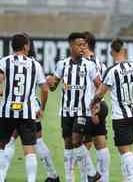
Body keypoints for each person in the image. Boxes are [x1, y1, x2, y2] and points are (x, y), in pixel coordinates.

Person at [2, 34, 60, 182]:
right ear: (26, 46)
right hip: (30, 110)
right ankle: (51, 174)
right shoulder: (34, 64)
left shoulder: (5, 62)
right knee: (33, 145)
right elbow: (46, 88)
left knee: (6, 144)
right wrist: (42, 108)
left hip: (9, 110)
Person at [46, 32, 101, 182]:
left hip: (83, 110)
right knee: (68, 145)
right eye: (79, 45)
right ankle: (70, 178)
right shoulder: (61, 64)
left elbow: (99, 86)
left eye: (84, 45)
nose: (83, 48)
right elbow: (53, 87)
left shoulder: (89, 65)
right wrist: (50, 81)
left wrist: (96, 105)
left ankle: (91, 173)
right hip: (66, 110)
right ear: (71, 46)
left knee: (77, 140)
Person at [90, 38, 133, 182]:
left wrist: (92, 103)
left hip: (121, 117)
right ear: (124, 50)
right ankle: (128, 178)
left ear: (111, 52)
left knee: (125, 151)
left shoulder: (112, 71)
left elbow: (100, 93)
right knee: (126, 150)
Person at [82, 31, 110, 182]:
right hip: (102, 105)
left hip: (90, 107)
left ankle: (90, 178)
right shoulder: (101, 63)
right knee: (100, 144)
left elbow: (97, 85)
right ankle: (104, 179)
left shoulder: (85, 63)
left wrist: (93, 106)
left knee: (79, 146)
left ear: (86, 44)